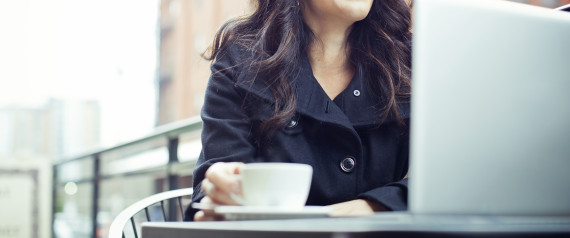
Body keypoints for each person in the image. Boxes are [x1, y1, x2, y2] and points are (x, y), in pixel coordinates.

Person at [184, 0, 412, 221]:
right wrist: (219, 191)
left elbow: (442, 181)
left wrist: (372, 206)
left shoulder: (414, 63)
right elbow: (211, 193)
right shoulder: (240, 59)